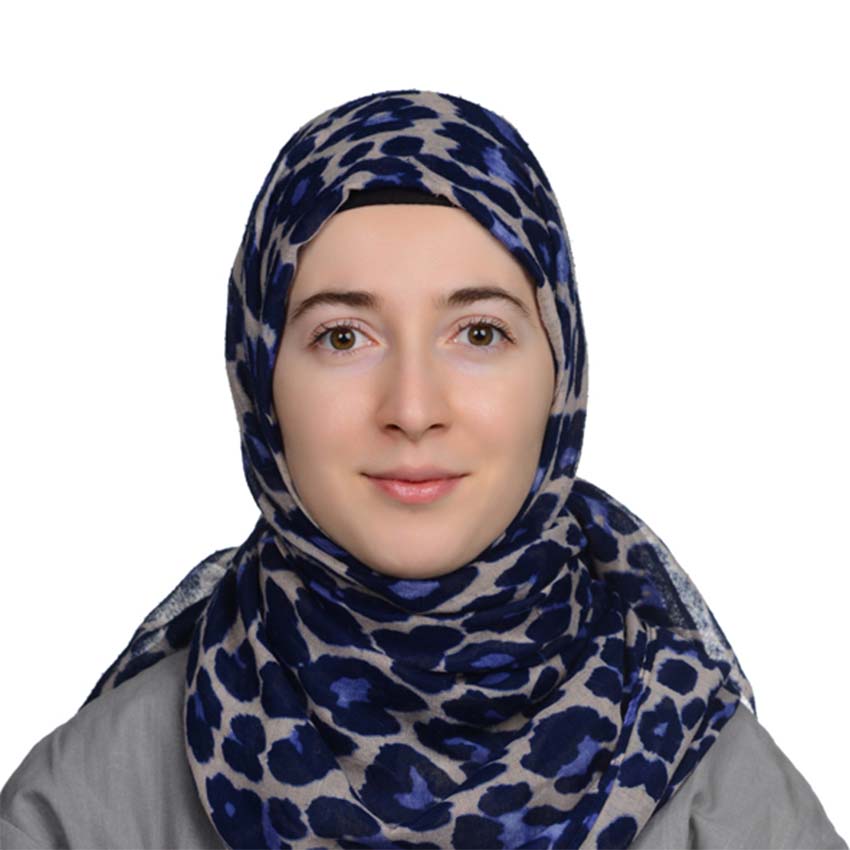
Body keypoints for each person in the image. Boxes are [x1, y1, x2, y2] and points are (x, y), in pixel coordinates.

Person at [0, 89, 844, 850]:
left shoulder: (715, 790)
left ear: (560, 374)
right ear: (259, 379)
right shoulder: (88, 805)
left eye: (479, 333)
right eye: (343, 336)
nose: (412, 406)